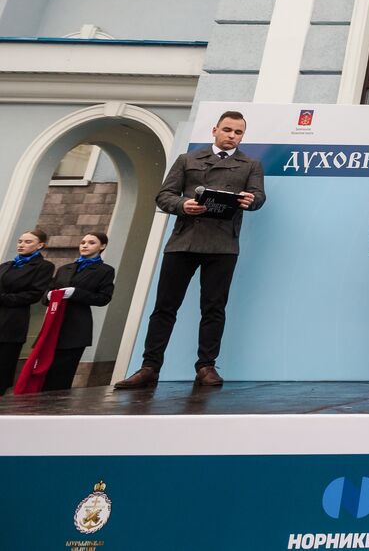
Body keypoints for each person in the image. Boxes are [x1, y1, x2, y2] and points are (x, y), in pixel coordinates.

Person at [114, 111, 265, 389]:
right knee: (164, 307)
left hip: (223, 245)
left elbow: (259, 197)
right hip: (183, 241)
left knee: (214, 308)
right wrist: (183, 205)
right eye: (228, 130)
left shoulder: (250, 165)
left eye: (238, 132)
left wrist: (251, 200)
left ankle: (206, 366)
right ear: (215, 130)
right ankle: (150, 366)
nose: (232, 136)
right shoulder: (188, 160)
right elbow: (163, 195)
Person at [43, 232, 117, 392]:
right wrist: (48, 296)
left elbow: (103, 298)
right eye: (83, 242)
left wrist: (75, 293)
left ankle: (55, 409)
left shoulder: (105, 270)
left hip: (76, 327)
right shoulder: (64, 268)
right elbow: (47, 293)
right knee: (44, 369)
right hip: (54, 323)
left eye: (91, 243)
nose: (84, 245)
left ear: (102, 246)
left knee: (62, 373)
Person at [0, 228, 56, 395]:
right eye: (20, 241)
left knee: (4, 364)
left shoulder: (44, 267)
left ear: (40, 245)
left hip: (13, 320)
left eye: (28, 242)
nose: (22, 244)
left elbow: (33, 295)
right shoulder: (6, 265)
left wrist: (3, 298)